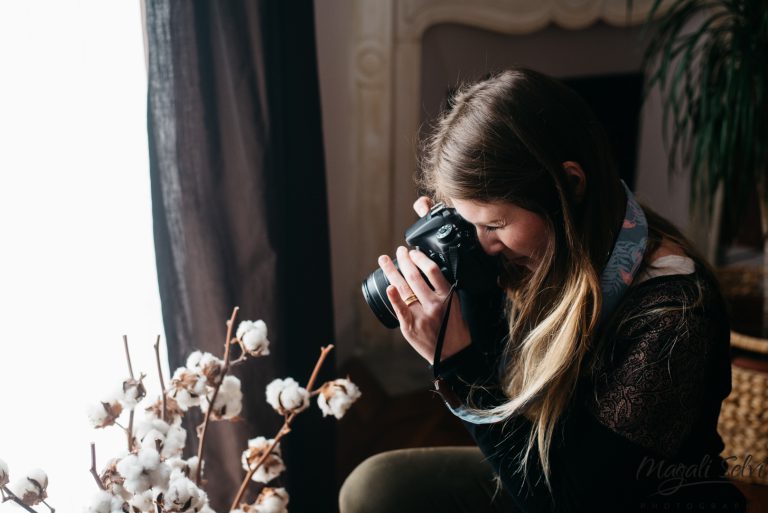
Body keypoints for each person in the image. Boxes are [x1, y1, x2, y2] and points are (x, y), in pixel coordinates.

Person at [339, 68, 748, 513]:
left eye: (494, 224)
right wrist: (470, 275)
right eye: (468, 222)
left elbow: (572, 499)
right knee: (374, 487)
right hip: (547, 462)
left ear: (569, 186)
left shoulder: (676, 315)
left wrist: (455, 360)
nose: (483, 242)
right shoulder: (558, 247)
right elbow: (513, 396)